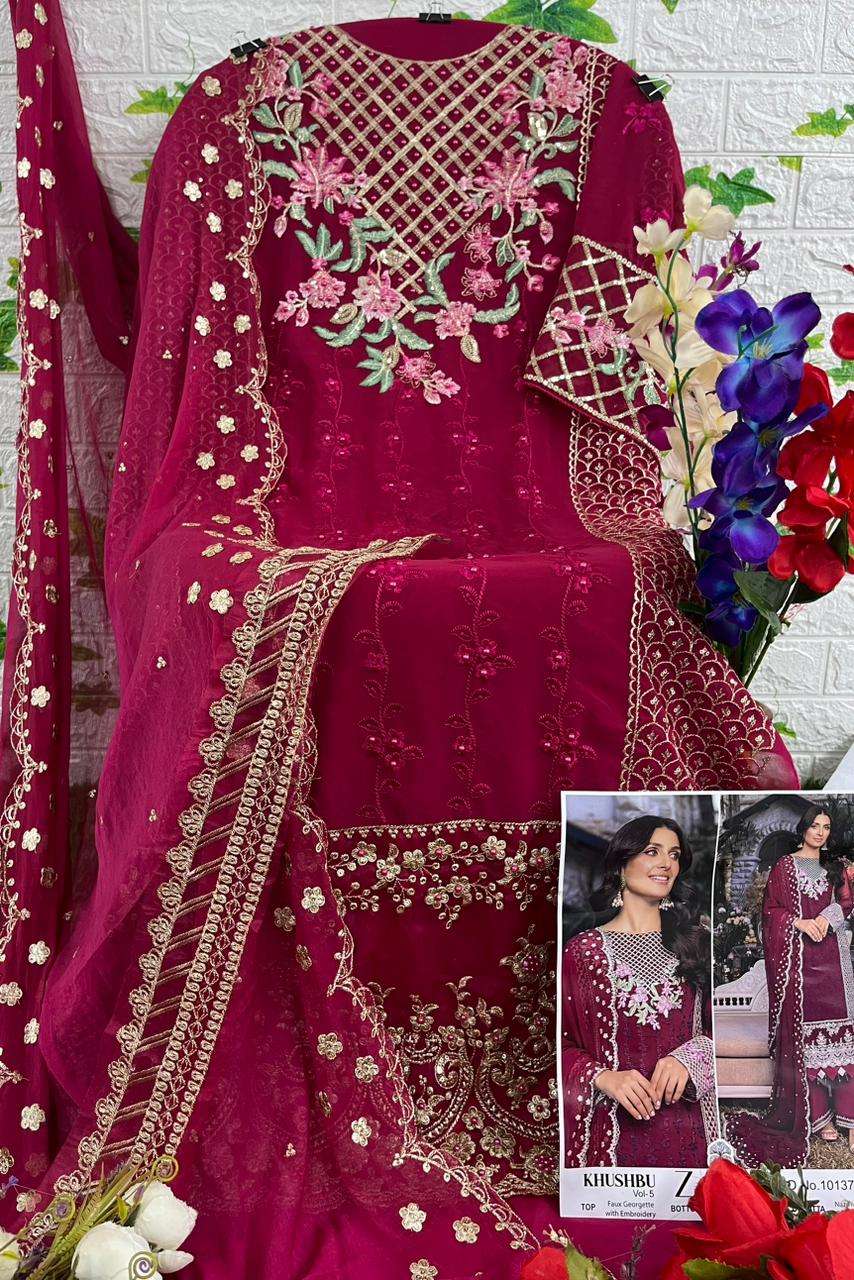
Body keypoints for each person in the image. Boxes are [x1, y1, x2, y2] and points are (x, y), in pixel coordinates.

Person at [561, 816, 717, 1167]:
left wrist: (692, 1058)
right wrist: (603, 1077)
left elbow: (723, 1029)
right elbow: (560, 1044)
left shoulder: (696, 944)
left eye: (674, 855)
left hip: (690, 1128)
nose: (666, 864)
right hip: (610, 1137)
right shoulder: (582, 952)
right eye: (652, 851)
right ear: (621, 864)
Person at [726, 805, 854, 1163]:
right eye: (815, 825)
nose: (820, 832)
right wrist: (800, 923)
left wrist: (826, 919)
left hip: (833, 961)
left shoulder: (834, 868)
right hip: (799, 965)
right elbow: (771, 911)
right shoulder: (785, 867)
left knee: (844, 1041)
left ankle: (849, 1117)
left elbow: (846, 902)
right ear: (803, 829)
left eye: (826, 827)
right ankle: (820, 1117)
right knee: (809, 1043)